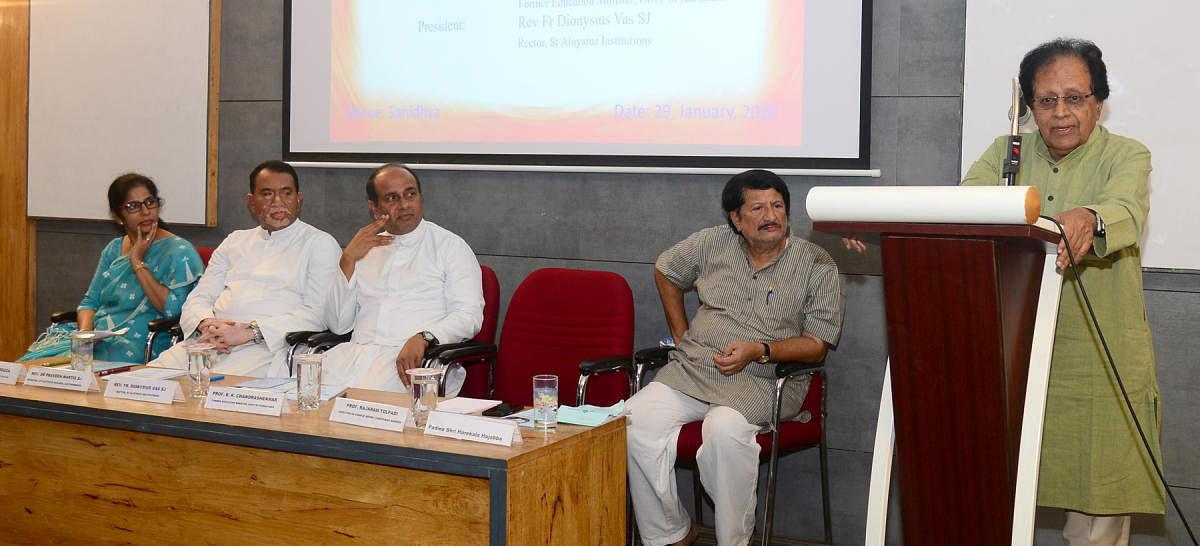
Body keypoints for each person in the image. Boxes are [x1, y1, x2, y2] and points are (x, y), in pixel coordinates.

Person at [960, 39, 1162, 545]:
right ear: (1029, 108)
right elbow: (962, 208)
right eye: (1046, 101)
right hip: (1014, 355)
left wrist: (1088, 218)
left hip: (1094, 360)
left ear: (1099, 101)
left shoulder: (1127, 155)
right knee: (995, 495)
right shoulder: (1005, 155)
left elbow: (1125, 212)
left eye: (1075, 98)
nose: (1061, 113)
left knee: (1097, 515)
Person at [627, 169, 844, 546]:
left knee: (724, 431)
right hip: (694, 371)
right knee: (632, 420)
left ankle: (734, 541)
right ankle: (671, 532)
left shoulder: (816, 263)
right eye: (757, 208)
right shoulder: (712, 243)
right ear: (736, 220)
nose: (770, 216)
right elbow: (666, 267)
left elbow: (817, 344)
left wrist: (760, 350)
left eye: (777, 206)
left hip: (767, 379)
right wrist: (681, 335)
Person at [148, 160, 341, 377]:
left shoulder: (319, 243)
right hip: (210, 342)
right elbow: (199, 298)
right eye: (267, 194)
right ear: (252, 202)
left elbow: (317, 314)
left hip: (267, 348)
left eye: (286, 193)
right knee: (146, 383)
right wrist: (206, 323)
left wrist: (250, 332)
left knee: (216, 395)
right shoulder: (235, 241)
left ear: (299, 199)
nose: (278, 202)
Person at [320, 164, 483, 393]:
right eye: (391, 198)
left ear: (420, 197)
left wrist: (425, 336)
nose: (404, 204)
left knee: (358, 404)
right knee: (298, 393)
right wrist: (347, 260)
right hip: (353, 358)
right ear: (374, 208)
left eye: (410, 194)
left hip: (413, 364)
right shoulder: (364, 250)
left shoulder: (450, 246)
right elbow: (338, 325)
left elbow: (469, 316)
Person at [19, 173, 203, 363]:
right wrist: (85, 335)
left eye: (150, 202)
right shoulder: (114, 249)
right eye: (133, 206)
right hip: (101, 341)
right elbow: (90, 302)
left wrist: (137, 262)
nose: (145, 211)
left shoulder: (180, 251)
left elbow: (174, 311)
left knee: (80, 371)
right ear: (118, 217)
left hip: (145, 343)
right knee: (34, 367)